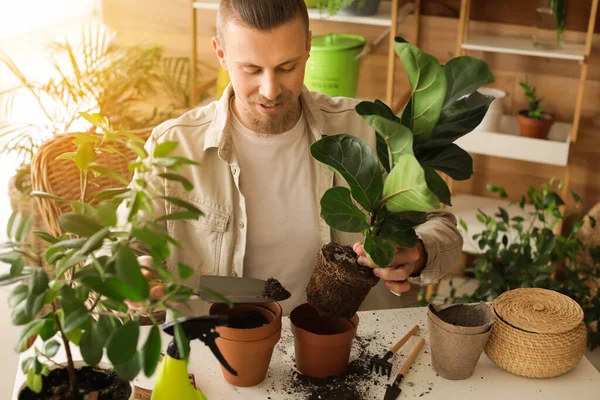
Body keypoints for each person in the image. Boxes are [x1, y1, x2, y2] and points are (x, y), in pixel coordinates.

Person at [130, 0, 463, 316]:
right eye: (251, 69)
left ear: (307, 47)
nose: (270, 89)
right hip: (220, 351)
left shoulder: (365, 130)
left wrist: (418, 253)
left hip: (354, 347)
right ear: (220, 52)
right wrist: (131, 275)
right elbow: (123, 250)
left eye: (287, 67)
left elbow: (441, 225)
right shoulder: (174, 146)